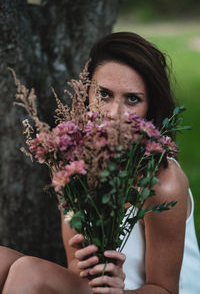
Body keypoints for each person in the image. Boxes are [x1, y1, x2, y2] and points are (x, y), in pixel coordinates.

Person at [1, 32, 200, 294]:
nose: (114, 113)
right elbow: (75, 265)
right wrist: (94, 271)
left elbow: (165, 289)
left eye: (132, 99)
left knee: (28, 271)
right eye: (104, 94)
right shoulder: (73, 168)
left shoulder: (162, 181)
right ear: (86, 96)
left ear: (150, 108)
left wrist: (117, 287)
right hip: (98, 289)